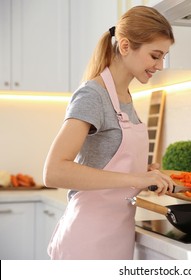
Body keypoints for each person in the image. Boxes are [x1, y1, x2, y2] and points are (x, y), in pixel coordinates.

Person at [43, 6, 175, 260]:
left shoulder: (125, 96)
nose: (159, 65)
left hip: (117, 236)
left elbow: (107, 165)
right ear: (125, 47)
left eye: (164, 57)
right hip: (87, 241)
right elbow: (54, 171)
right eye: (155, 56)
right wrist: (135, 179)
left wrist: (144, 173)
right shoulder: (93, 94)